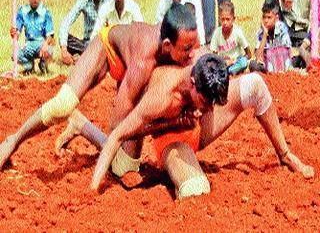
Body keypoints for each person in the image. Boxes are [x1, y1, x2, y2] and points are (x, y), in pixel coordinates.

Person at [55, 53, 314, 196]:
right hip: (172, 137)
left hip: (194, 123)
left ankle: (285, 154)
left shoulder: (202, 65)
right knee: (190, 186)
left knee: (255, 85)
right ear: (192, 84)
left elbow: (217, 81)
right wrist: (92, 190)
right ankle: (83, 126)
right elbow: (119, 135)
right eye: (206, 102)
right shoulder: (161, 99)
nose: (211, 109)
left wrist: (206, 105)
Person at [0, 3, 200, 180]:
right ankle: (13, 140)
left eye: (195, 46)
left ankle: (81, 125)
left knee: (125, 167)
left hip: (134, 70)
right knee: (63, 104)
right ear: (167, 45)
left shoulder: (179, 46)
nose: (192, 55)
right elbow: (116, 127)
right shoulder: (142, 62)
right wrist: (170, 122)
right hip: (108, 50)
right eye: (187, 49)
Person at [59, 0, 113, 65]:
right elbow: (66, 22)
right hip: (87, 42)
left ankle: (83, 58)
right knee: (66, 39)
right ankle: (87, 56)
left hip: (104, 42)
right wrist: (63, 48)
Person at [10, 0, 54, 75]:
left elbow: (50, 35)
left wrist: (46, 45)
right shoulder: (22, 11)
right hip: (29, 45)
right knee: (14, 54)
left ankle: (43, 65)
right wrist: (14, 33)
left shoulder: (45, 12)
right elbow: (17, 32)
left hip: (41, 45)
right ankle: (29, 66)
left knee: (50, 51)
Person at [249, 0, 292, 73]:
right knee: (253, 65)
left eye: (269, 17)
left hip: (281, 62)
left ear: (276, 18)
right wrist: (265, 34)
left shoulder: (282, 28)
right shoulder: (260, 32)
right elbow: (258, 57)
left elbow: (286, 50)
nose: (266, 21)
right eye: (264, 17)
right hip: (267, 65)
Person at [210, 1, 251, 75]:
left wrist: (235, 60)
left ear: (233, 19)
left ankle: (227, 72)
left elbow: (249, 54)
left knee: (243, 63)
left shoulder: (238, 32)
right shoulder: (217, 33)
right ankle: (226, 72)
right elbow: (214, 56)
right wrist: (224, 62)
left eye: (228, 19)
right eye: (223, 19)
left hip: (236, 62)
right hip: (223, 63)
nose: (225, 23)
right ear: (219, 19)